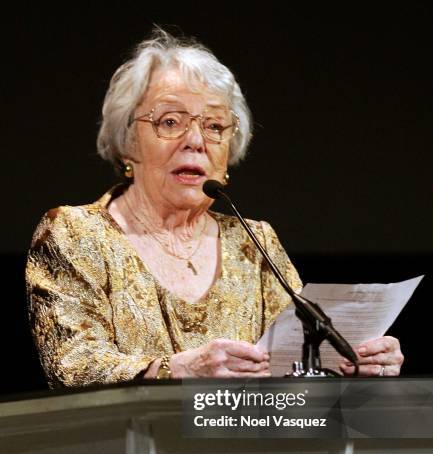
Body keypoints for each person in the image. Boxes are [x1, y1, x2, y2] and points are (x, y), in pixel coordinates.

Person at [25, 28, 403, 388]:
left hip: (250, 450)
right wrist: (178, 370)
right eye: (170, 121)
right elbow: (73, 366)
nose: (195, 141)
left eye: (214, 126)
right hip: (127, 450)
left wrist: (353, 363)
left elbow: (293, 364)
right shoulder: (76, 233)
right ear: (127, 141)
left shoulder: (254, 242)